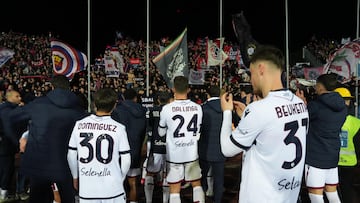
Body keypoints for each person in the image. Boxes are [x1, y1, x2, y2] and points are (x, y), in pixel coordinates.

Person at [220, 45, 309, 203]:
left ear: (261, 69)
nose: (251, 80)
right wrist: (246, 118)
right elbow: (272, 137)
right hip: (288, 194)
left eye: (251, 73)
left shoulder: (259, 109)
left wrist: (227, 112)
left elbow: (227, 149)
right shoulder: (299, 103)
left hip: (262, 197)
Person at [7, 75, 87, 203]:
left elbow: (11, 118)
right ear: (69, 88)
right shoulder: (78, 109)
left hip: (39, 163)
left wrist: (17, 139)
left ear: (52, 87)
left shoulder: (39, 104)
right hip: (65, 165)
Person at [67, 88, 131, 203]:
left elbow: (71, 155)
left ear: (95, 104)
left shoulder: (79, 125)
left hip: (88, 188)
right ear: (114, 106)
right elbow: (126, 160)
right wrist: (121, 178)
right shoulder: (119, 128)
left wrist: (75, 177)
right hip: (113, 189)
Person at [297, 73, 347, 203]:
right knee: (332, 193)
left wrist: (302, 105)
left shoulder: (316, 106)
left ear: (320, 86)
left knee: (316, 195)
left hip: (315, 157)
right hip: (332, 155)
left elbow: (303, 120)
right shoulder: (342, 107)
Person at [158, 75, 204, 203]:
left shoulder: (166, 109)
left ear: (173, 89)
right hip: (191, 152)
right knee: (196, 184)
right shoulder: (198, 108)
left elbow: (161, 132)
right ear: (188, 89)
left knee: (174, 189)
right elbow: (198, 132)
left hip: (174, 155)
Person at [112, 88, 147, 203]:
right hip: (135, 149)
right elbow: (143, 132)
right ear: (136, 98)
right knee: (133, 183)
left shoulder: (118, 110)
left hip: (120, 151)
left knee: (118, 183)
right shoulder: (142, 111)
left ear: (123, 97)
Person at [198, 85, 226, 203]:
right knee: (219, 180)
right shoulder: (226, 108)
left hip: (204, 149)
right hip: (221, 149)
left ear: (208, 94)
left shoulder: (202, 108)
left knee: (201, 179)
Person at [144, 91, 172, 203]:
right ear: (170, 100)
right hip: (170, 148)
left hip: (155, 145)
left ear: (159, 100)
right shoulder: (172, 111)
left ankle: (149, 200)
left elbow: (148, 126)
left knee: (150, 172)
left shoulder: (151, 111)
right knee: (167, 174)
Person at [0, 90, 27, 202]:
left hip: (6, 145)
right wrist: (17, 143)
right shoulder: (6, 111)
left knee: (7, 169)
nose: (20, 98)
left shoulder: (10, 109)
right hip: (5, 146)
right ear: (10, 97)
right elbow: (8, 130)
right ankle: (3, 195)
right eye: (17, 96)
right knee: (6, 170)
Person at [334, 87, 360, 203]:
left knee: (331, 191)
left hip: (331, 162)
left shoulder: (326, 120)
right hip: (349, 163)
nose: (346, 102)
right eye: (346, 100)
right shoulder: (355, 122)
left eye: (347, 100)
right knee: (346, 190)